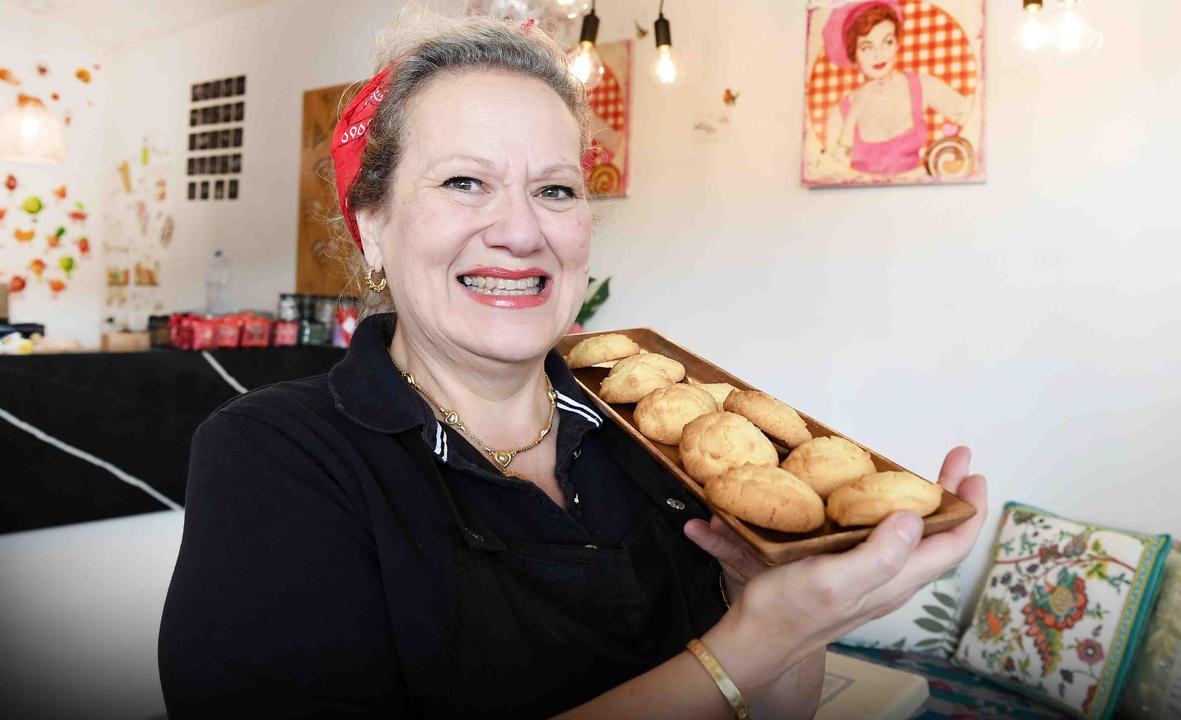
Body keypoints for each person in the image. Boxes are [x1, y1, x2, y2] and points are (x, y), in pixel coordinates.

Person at [158, 7, 987, 718]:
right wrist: (747, 643)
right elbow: (738, 669)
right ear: (372, 227)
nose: (522, 231)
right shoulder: (276, 456)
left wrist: (779, 612)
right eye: (463, 182)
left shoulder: (663, 438)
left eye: (555, 190)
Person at [822, 0, 973, 176]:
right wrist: (853, 115)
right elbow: (831, 174)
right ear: (853, 55)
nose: (879, 55)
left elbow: (971, 114)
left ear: (897, 44)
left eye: (887, 42)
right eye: (866, 47)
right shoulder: (839, 112)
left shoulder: (920, 85)